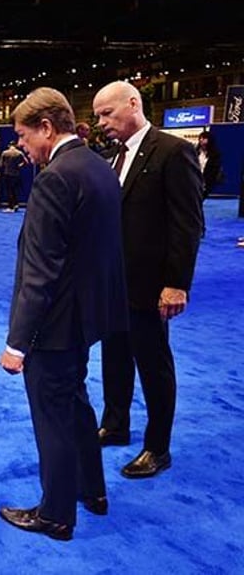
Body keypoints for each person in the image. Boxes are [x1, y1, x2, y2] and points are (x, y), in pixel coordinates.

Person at [0, 87, 128, 541]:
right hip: (86, 318)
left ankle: (55, 514)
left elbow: (40, 272)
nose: (22, 147)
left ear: (47, 128)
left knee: (52, 415)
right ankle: (93, 491)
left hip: (53, 326)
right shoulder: (99, 167)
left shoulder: (54, 178)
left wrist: (17, 343)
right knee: (75, 405)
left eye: (23, 135)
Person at [93, 80, 203, 478]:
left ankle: (158, 447)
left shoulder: (174, 152)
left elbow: (188, 225)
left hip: (151, 286)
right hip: (114, 283)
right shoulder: (111, 157)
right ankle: (115, 424)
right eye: (98, 115)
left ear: (133, 103)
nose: (101, 121)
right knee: (114, 358)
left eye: (107, 113)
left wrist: (177, 283)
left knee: (154, 366)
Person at [0, 140, 27, 211]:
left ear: (9, 145)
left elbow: (1, 164)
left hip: (7, 173)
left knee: (9, 190)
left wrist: (7, 166)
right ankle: (16, 204)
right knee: (15, 190)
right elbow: (26, 162)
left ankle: (10, 206)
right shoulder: (19, 153)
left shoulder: (5, 153)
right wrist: (19, 166)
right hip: (16, 174)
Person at [195, 130, 223, 200]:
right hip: (194, 180)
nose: (201, 140)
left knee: (199, 200)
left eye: (204, 138)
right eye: (200, 138)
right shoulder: (196, 151)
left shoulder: (215, 154)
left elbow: (214, 170)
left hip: (206, 182)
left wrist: (206, 182)